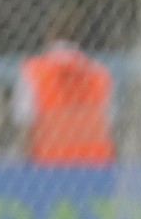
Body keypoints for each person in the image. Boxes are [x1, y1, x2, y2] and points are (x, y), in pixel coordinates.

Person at [13, 9, 114, 166]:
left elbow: (26, 125)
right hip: (95, 165)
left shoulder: (33, 71)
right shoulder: (99, 73)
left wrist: (25, 164)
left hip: (50, 165)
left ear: (49, 33)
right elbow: (108, 124)